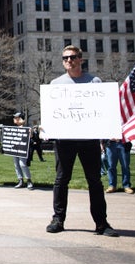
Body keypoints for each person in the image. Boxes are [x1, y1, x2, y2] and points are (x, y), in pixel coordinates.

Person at [46, 45, 118, 237]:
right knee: (61, 180)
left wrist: (108, 130)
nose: (69, 60)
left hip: (89, 140)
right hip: (64, 141)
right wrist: (47, 128)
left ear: (80, 59)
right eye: (65, 58)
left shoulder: (94, 82)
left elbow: (102, 111)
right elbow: (52, 113)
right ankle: (58, 219)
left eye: (73, 57)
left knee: (94, 181)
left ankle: (102, 223)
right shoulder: (55, 85)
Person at [11, 112, 34, 190]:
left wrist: (29, 132)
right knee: (16, 164)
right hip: (15, 148)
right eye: (14, 118)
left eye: (16, 118)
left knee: (22, 164)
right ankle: (20, 180)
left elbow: (31, 136)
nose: (15, 119)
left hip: (23, 149)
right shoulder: (13, 128)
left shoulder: (27, 127)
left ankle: (29, 180)